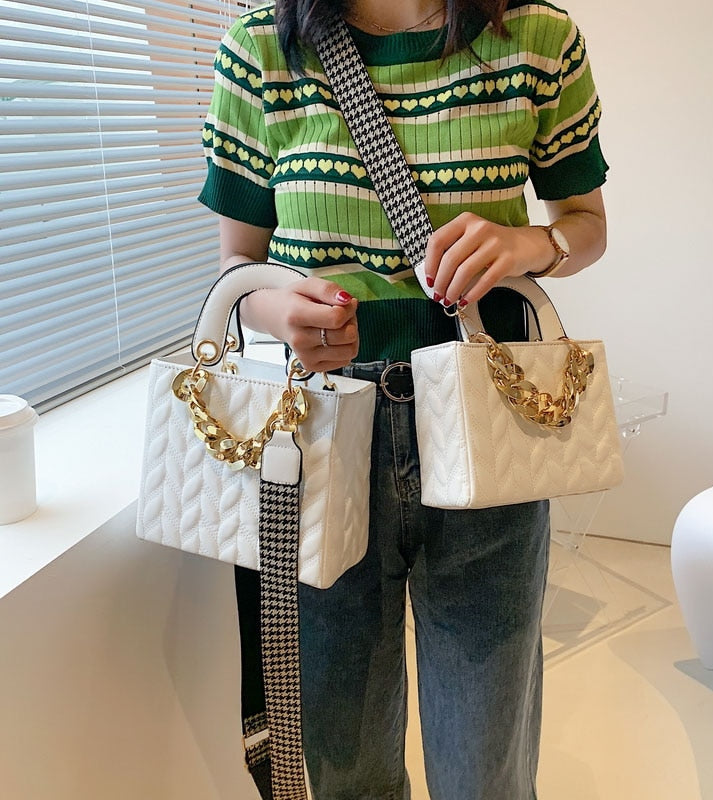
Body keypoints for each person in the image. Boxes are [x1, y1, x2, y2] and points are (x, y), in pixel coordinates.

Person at [198, 1, 608, 797]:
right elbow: (237, 269)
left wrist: (526, 244)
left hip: (485, 412)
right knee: (343, 761)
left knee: (486, 762)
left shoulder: (537, 37)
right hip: (319, 424)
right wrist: (283, 312)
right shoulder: (261, 49)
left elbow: (586, 223)